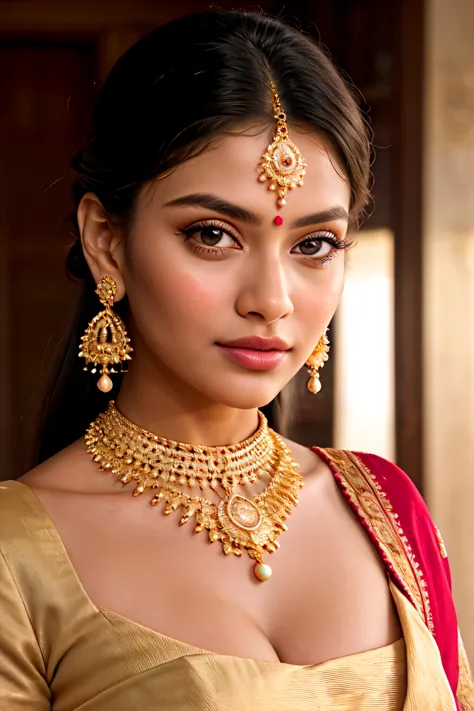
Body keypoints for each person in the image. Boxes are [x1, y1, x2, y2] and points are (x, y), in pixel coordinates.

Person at [0, 9, 472, 710]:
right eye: (213, 234)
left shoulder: (385, 507)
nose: (272, 300)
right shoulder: (16, 556)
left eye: (314, 244)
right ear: (107, 240)